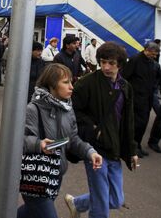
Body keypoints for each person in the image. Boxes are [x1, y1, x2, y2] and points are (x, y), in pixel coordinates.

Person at [17, 64, 102, 218]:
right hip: (36, 173)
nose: (71, 87)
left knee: (30, 212)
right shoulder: (33, 109)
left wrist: (90, 152)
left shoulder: (67, 108)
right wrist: (39, 144)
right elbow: (18, 141)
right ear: (52, 85)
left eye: (71, 82)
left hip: (55, 173)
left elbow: (73, 139)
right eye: (65, 82)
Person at [64, 42, 138, 218]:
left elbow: (129, 122)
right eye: (103, 62)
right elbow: (72, 110)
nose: (106, 67)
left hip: (115, 149)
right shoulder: (87, 83)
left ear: (120, 64)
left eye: (111, 63)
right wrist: (93, 129)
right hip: (95, 149)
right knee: (101, 207)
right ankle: (85, 206)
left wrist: (132, 150)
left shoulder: (125, 87)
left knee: (115, 200)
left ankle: (76, 203)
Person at [122, 41, 160, 158]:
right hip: (136, 98)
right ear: (146, 50)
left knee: (143, 123)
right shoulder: (135, 60)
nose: (155, 56)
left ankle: (137, 145)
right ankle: (132, 147)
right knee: (136, 124)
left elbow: (157, 78)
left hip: (147, 98)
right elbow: (125, 77)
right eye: (153, 54)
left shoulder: (153, 63)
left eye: (156, 54)